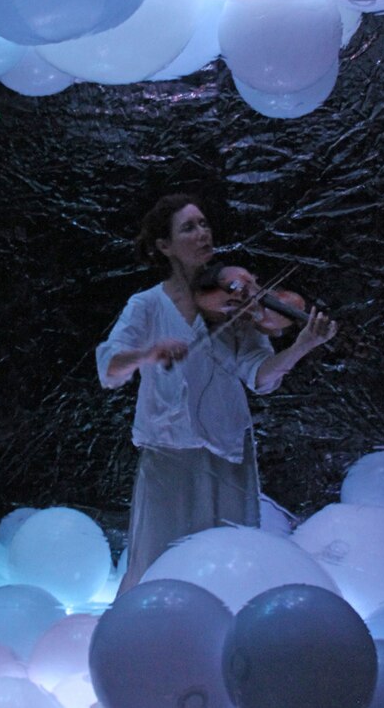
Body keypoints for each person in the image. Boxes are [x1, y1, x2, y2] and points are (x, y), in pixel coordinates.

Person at [96, 193, 336, 591]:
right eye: (189, 227)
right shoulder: (147, 305)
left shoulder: (237, 302)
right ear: (164, 246)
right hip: (168, 454)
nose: (203, 233)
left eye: (205, 223)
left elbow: (259, 375)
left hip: (227, 451)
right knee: (160, 563)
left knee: (231, 565)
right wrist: (147, 354)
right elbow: (109, 366)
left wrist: (303, 345)